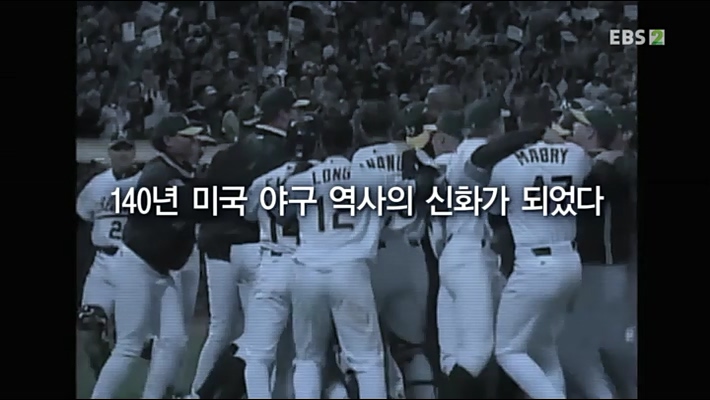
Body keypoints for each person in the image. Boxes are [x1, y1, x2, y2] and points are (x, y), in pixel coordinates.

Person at [190, 86, 307, 399]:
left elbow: (207, 203)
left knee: (220, 329)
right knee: (266, 340)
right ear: (282, 114)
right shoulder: (287, 153)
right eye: (295, 110)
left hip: (218, 247)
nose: (298, 116)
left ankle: (196, 393)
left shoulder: (231, 150)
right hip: (261, 248)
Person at [278, 110, 396, 399]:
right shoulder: (376, 177)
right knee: (367, 360)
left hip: (307, 268)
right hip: (350, 269)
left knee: (307, 358)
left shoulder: (300, 180)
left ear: (320, 143)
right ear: (352, 141)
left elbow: (282, 219)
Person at [91, 114, 205, 399]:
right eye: (186, 137)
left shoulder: (179, 171)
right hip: (137, 265)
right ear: (168, 141)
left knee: (174, 340)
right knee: (129, 345)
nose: (194, 141)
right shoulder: (158, 174)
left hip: (159, 270)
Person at [487, 120, 592, 399]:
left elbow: (495, 213)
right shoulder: (575, 154)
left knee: (507, 351)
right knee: (542, 346)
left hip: (535, 264)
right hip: (570, 260)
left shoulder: (505, 164)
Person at [351, 101, 435, 399]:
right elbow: (434, 191)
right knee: (412, 350)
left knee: (364, 351)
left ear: (361, 129)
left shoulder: (356, 160)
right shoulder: (414, 155)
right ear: (392, 127)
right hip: (411, 257)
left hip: (371, 259)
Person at [236, 113, 320, 399]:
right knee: (307, 356)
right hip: (312, 267)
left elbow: (248, 214)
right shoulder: (326, 178)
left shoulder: (264, 181)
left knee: (258, 355)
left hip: (273, 265)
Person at [557, 107, 637, 399]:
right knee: (603, 348)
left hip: (601, 270)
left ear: (591, 132)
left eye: (578, 126)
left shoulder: (603, 170)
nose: (570, 131)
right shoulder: (606, 164)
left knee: (578, 349)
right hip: (610, 269)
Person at [76, 133, 142, 379]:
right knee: (89, 329)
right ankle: (106, 386)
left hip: (137, 264)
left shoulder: (147, 182)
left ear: (134, 153)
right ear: (109, 153)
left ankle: (164, 390)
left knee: (143, 339)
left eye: (127, 149)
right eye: (117, 149)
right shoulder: (96, 185)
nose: (122, 154)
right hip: (103, 263)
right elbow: (84, 215)